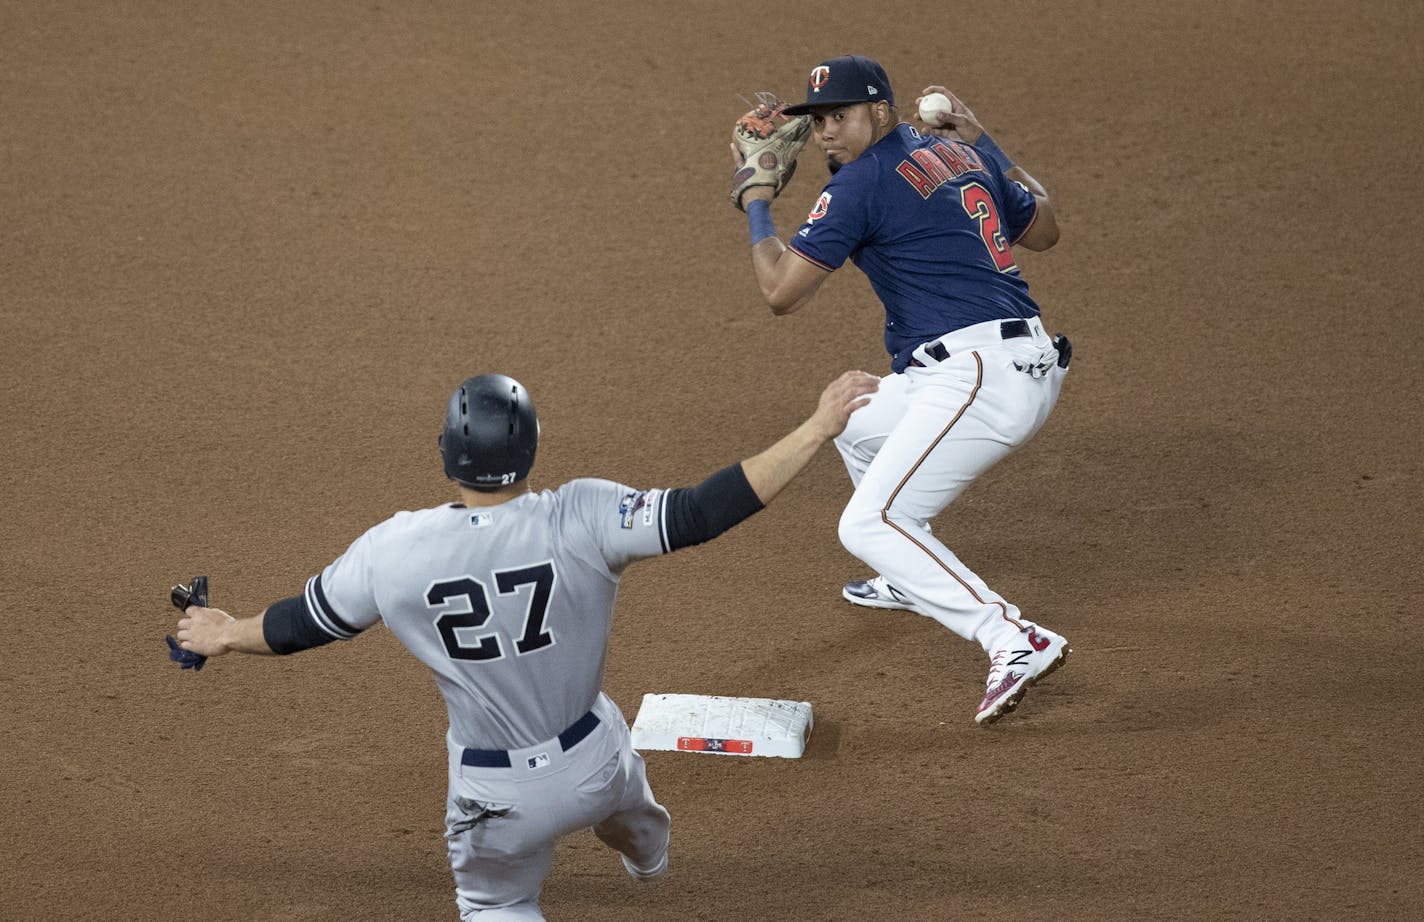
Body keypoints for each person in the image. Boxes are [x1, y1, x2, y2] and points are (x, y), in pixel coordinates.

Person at [168, 369, 876, 921]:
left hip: (495, 794)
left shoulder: (394, 550)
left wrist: (225, 632)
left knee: (496, 904)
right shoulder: (585, 513)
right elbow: (700, 512)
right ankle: (647, 854)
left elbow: (306, 624)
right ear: (531, 446)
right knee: (620, 782)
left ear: (447, 454)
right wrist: (818, 427)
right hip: (597, 761)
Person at [729, 54, 1072, 726]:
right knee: (855, 417)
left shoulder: (860, 184)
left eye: (841, 116)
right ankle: (911, 578)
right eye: (819, 119)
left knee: (864, 523)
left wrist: (756, 202)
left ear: (881, 112)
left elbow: (779, 293)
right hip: (999, 363)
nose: (826, 131)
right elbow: (1048, 231)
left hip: (980, 378)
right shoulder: (952, 150)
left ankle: (1013, 638)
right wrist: (984, 139)